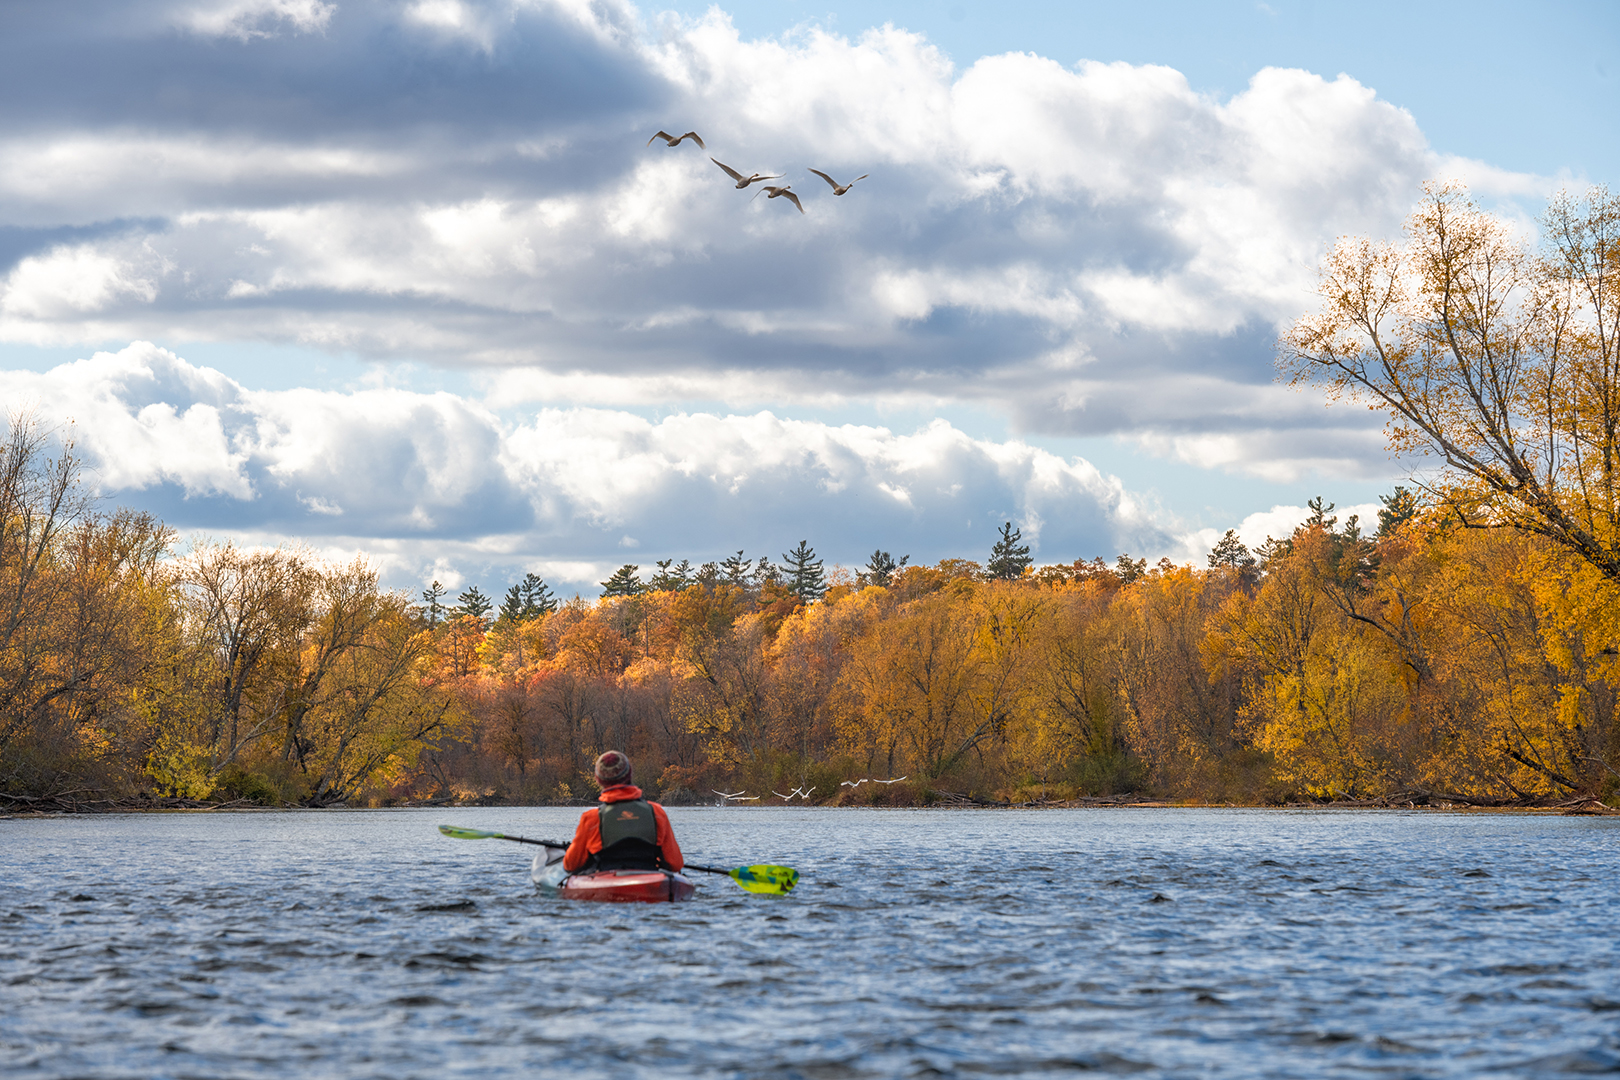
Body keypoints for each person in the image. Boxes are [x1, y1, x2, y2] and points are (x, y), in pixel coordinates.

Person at [562, 751, 684, 874]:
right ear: (630, 774)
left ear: (598, 779)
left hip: (607, 880)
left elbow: (570, 865)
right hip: (649, 879)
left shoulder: (592, 818)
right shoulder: (656, 812)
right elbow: (675, 864)